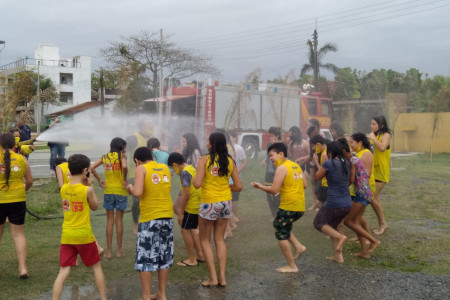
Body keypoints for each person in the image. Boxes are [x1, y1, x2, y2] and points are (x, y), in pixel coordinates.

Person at [52, 154, 106, 300]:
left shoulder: (63, 189)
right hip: (84, 236)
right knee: (96, 267)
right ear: (85, 171)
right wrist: (91, 185)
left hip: (67, 236)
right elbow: (94, 206)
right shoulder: (86, 190)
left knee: (63, 271)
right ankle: (103, 298)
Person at [193, 132, 242, 287]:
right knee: (220, 240)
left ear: (211, 143)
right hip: (225, 204)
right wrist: (225, 186)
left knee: (204, 240)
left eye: (207, 140)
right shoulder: (229, 161)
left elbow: (197, 184)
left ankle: (213, 278)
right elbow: (239, 186)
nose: (206, 142)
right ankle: (222, 278)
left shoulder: (204, 160)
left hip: (209, 203)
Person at [251, 142, 307, 273]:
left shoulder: (281, 168)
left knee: (280, 230)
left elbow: (274, 189)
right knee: (283, 225)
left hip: (289, 205)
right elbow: (304, 184)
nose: (270, 158)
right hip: (299, 206)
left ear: (281, 154)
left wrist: (260, 186)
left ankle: (292, 266)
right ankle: (299, 247)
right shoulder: (295, 165)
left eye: (272, 155)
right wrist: (285, 190)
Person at [126, 147, 173, 300]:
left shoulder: (141, 169)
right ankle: (162, 294)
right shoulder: (165, 167)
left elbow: (138, 193)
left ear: (136, 160)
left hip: (150, 218)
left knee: (146, 257)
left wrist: (130, 187)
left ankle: (146, 296)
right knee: (163, 255)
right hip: (167, 216)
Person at [340, 137, 380, 258]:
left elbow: (351, 180)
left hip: (362, 193)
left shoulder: (353, 160)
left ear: (342, 150)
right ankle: (365, 252)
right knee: (356, 221)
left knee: (348, 221)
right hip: (364, 193)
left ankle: (374, 241)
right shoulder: (353, 158)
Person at [0, 133, 33, 279]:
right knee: (18, 235)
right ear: (15, 144)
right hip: (18, 200)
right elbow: (30, 181)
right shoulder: (22, 159)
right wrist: (23, 190)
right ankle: (23, 268)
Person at [313, 141, 352, 264]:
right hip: (347, 203)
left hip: (334, 202)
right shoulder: (346, 162)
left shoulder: (329, 163)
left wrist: (319, 163)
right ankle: (338, 256)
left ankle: (341, 237)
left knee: (318, 222)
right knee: (332, 227)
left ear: (329, 152)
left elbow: (318, 177)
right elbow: (350, 179)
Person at [91, 137, 128, 259]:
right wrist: (125, 179)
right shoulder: (121, 157)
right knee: (119, 221)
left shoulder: (105, 157)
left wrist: (100, 180)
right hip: (120, 191)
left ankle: (109, 252)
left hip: (108, 191)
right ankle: (118, 251)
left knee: (109, 221)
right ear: (121, 147)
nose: (125, 149)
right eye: (124, 147)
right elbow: (125, 167)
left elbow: (92, 168)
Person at [168, 152, 204, 267]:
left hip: (191, 205)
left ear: (174, 165)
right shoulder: (191, 168)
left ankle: (192, 259)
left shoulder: (184, 173)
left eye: (172, 168)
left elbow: (186, 194)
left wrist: (181, 213)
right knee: (193, 229)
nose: (174, 171)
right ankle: (200, 255)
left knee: (185, 230)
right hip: (198, 203)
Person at [126, 119, 154, 234]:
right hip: (134, 174)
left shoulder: (151, 138)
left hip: (150, 174)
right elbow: (123, 151)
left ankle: (147, 222)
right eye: (149, 125)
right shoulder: (133, 138)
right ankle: (135, 223)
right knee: (137, 201)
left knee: (148, 199)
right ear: (142, 126)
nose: (152, 127)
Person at [366, 115, 392, 235]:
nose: (371, 126)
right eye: (371, 124)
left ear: (381, 125)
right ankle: (383, 223)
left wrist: (373, 138)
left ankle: (382, 223)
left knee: (371, 197)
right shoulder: (374, 136)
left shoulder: (386, 135)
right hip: (372, 170)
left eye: (374, 124)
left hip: (381, 170)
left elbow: (382, 147)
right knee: (375, 198)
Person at [226, 129, 247, 236]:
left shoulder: (237, 148)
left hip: (234, 178)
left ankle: (233, 219)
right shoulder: (229, 147)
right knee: (229, 200)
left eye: (231, 136)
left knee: (233, 200)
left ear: (234, 137)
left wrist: (236, 172)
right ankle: (232, 220)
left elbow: (244, 162)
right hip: (230, 178)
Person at [261, 126, 284, 218]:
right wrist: (265, 160)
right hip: (269, 173)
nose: (270, 138)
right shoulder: (269, 145)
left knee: (277, 195)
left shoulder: (282, 146)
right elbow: (268, 156)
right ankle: (274, 215)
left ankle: (279, 214)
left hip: (277, 173)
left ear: (277, 136)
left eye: (272, 136)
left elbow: (284, 159)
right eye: (269, 135)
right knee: (268, 195)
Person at [311, 135, 329, 206]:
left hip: (327, 184)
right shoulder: (323, 152)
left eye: (313, 146)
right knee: (319, 203)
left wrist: (316, 162)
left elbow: (324, 172)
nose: (313, 149)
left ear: (318, 144)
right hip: (324, 183)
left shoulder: (325, 154)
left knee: (320, 204)